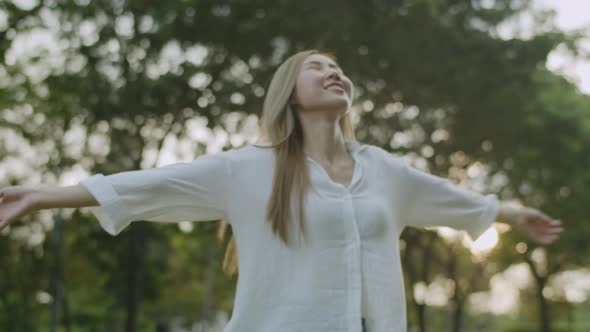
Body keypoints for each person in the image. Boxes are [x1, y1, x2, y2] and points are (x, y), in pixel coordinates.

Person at [0, 49, 563, 332]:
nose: (334, 72)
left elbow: (454, 199)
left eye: (339, 68)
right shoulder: (248, 169)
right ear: (288, 93)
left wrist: (514, 214)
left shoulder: (385, 170)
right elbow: (145, 187)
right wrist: (39, 196)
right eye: (317, 68)